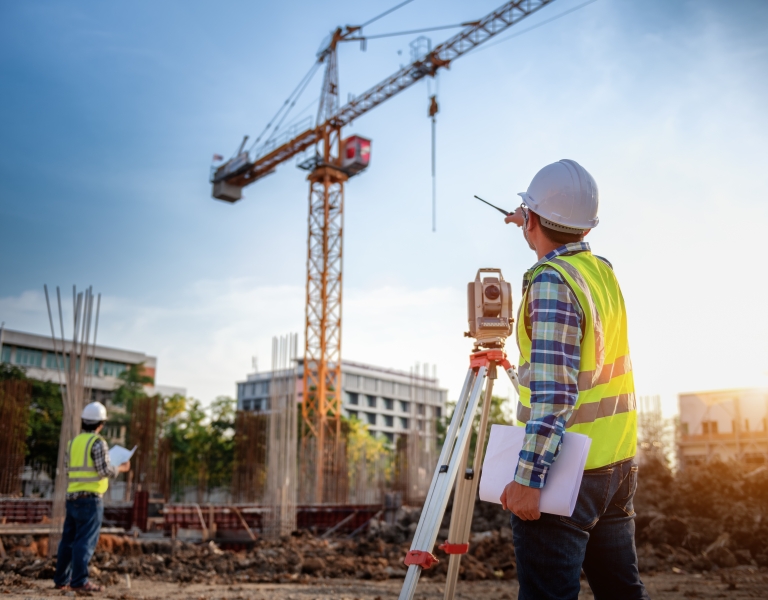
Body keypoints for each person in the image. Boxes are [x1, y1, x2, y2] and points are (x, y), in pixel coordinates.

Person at [500, 159, 649, 600]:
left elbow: (555, 393)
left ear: (532, 220)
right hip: (616, 465)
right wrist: (531, 222)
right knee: (622, 593)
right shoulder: (600, 271)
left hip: (566, 472)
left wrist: (528, 480)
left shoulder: (550, 282)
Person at [53, 402, 131, 592]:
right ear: (101, 424)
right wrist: (121, 467)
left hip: (72, 497)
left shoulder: (73, 443)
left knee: (68, 540)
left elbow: (66, 468)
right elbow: (104, 469)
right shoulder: (98, 443)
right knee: (85, 541)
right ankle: (79, 581)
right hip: (90, 499)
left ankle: (61, 580)